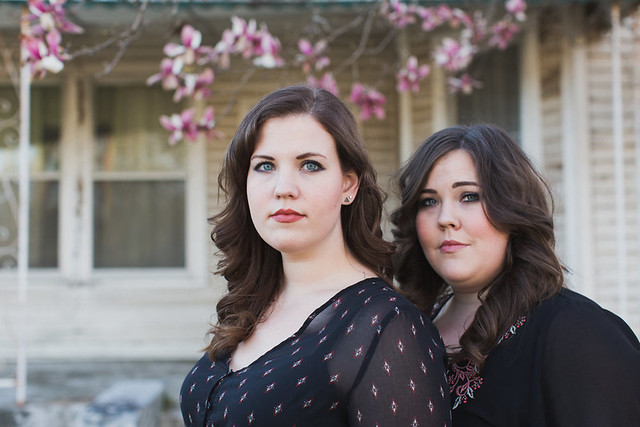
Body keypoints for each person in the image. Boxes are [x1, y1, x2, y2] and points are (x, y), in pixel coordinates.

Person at [180, 85, 451, 426]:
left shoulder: (387, 326)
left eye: (310, 165)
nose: (283, 188)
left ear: (348, 185)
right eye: (265, 166)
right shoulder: (253, 301)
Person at [391, 123, 640, 426]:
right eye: (428, 201)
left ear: (512, 209)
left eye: (469, 196)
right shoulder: (411, 329)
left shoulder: (575, 331)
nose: (445, 219)